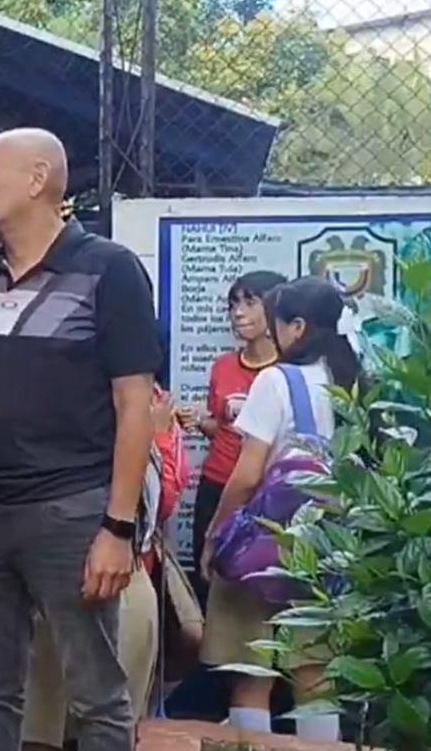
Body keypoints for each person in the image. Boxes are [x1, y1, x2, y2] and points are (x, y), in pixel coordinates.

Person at [0, 128, 162, 751]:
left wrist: (117, 529)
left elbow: (134, 402)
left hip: (72, 516)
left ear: (37, 180)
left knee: (97, 698)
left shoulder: (109, 269)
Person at [199, 277, 360, 743]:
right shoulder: (349, 379)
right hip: (329, 547)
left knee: (251, 678)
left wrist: (216, 533)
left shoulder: (277, 381)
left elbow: (248, 476)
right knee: (315, 676)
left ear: (297, 327)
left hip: (266, 547)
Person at [20, 385, 191, 750]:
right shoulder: (131, 432)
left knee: (94, 722)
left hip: (109, 586)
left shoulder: (134, 429)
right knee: (63, 722)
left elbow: (161, 502)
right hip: (81, 583)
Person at [175, 271, 287, 602]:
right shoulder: (223, 367)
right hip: (216, 484)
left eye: (250, 302)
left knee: (256, 583)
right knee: (207, 573)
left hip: (263, 490)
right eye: (233, 304)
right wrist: (198, 421)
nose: (238, 312)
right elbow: (223, 427)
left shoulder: (285, 373)